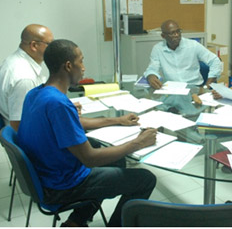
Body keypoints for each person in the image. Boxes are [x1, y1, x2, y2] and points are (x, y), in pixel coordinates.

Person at [17, 39, 157, 227]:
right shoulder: (58, 104)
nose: (83, 68)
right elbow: (90, 158)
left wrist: (117, 120)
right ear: (68, 66)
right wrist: (138, 143)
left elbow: (73, 122)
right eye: (81, 61)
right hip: (61, 185)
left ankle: (76, 220)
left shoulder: (36, 93)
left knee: (116, 160)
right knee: (146, 179)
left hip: (46, 172)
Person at [0, 24, 139, 132]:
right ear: (34, 46)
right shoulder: (24, 77)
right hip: (40, 144)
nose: (53, 48)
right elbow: (18, 124)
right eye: (50, 44)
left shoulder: (16, 61)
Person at [144, 19, 223, 89]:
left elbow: (215, 60)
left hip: (193, 87)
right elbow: (152, 68)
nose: (177, 35)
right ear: (163, 36)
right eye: (172, 33)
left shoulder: (193, 45)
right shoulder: (158, 49)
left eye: (178, 31)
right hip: (171, 89)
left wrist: (208, 84)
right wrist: (151, 76)